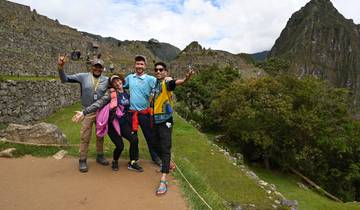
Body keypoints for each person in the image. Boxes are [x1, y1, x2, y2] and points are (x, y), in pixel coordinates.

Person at [72, 74, 144, 172]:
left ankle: (132, 162)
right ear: (112, 85)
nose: (117, 83)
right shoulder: (111, 94)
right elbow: (99, 103)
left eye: (118, 80)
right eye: (114, 82)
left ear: (122, 81)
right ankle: (115, 161)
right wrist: (84, 112)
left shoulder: (127, 94)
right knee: (120, 146)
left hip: (123, 124)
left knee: (134, 140)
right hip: (112, 124)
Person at [57, 54, 109, 173]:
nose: (97, 69)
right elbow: (64, 79)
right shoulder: (83, 76)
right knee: (85, 136)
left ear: (103, 68)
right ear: (91, 67)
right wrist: (60, 67)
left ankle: (100, 155)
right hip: (87, 112)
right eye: (95, 66)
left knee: (100, 135)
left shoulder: (106, 80)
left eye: (100, 67)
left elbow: (117, 85)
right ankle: (82, 159)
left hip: (100, 112)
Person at [150, 61, 194, 195]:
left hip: (165, 120)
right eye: (156, 70)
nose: (158, 71)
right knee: (154, 144)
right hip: (155, 119)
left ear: (166, 72)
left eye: (161, 70)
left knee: (165, 146)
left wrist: (186, 79)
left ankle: (164, 179)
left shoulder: (166, 83)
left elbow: (175, 83)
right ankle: (167, 163)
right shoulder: (155, 84)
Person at [123, 55, 162, 165]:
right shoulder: (130, 78)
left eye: (141, 64)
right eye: (137, 63)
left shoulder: (150, 79)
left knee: (150, 137)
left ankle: (156, 158)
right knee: (133, 139)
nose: (139, 66)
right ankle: (134, 159)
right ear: (134, 65)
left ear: (145, 66)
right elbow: (120, 84)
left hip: (144, 113)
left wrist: (167, 79)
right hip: (132, 114)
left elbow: (161, 84)